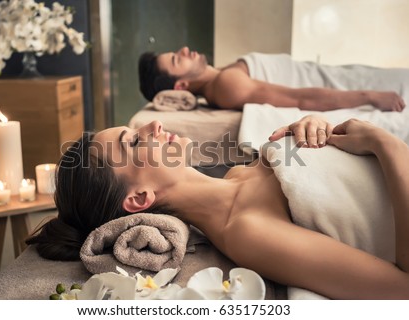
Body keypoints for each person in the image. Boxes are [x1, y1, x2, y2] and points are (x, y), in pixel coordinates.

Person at [27, 116, 409, 299]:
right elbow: (400, 292)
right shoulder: (244, 231)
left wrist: (317, 130)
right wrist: (384, 143)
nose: (154, 126)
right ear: (139, 199)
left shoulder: (238, 176)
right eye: (134, 142)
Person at [138, 47, 407, 112]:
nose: (184, 49)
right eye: (177, 59)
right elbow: (299, 99)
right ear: (181, 85)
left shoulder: (223, 74)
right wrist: (370, 96)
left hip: (349, 77)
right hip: (361, 89)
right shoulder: (226, 86)